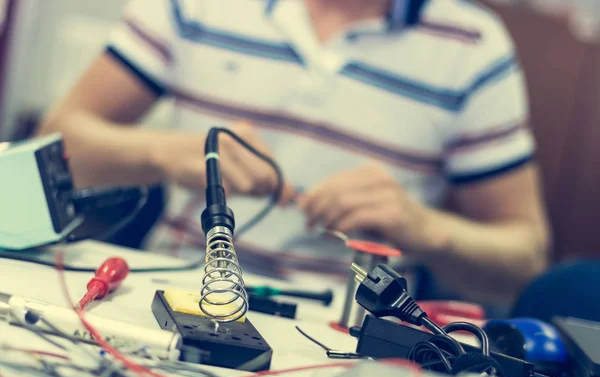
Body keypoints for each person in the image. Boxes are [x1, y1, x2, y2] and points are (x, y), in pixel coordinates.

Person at [37, 0, 550, 306]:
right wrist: (163, 153)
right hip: (175, 298)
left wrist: (424, 227)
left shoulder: (474, 47)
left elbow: (524, 258)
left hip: (350, 338)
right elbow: (55, 146)